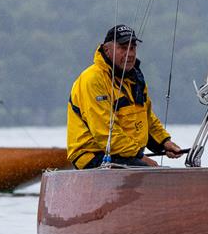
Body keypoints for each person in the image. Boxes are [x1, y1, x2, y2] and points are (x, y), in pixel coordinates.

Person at [67, 24, 184, 169]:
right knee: (156, 174)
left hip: (126, 155)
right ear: (107, 50)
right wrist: (140, 157)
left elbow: (146, 118)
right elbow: (105, 133)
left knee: (160, 174)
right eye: (123, 48)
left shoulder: (134, 78)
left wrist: (165, 142)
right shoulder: (92, 79)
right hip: (93, 156)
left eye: (133, 48)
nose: (130, 54)